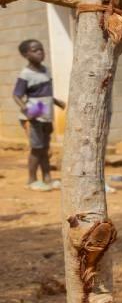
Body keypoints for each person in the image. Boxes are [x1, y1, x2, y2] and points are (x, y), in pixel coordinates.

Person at [13, 39, 64, 191]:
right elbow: (16, 95)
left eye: (41, 49)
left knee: (45, 147)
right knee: (37, 148)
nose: (40, 52)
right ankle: (32, 180)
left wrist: (57, 102)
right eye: (35, 50)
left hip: (45, 113)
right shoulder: (25, 74)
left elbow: (45, 94)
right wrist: (26, 110)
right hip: (34, 114)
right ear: (25, 55)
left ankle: (47, 178)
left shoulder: (45, 70)